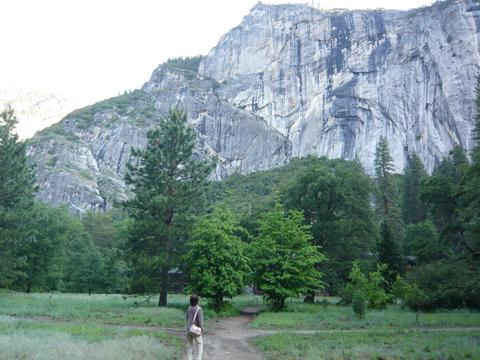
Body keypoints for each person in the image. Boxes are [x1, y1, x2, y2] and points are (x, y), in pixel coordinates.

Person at [186, 294, 204, 360]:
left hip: (189, 329)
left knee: (189, 345)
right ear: (197, 301)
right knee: (199, 344)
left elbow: (187, 319)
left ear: (190, 301)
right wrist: (202, 329)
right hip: (196, 330)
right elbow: (200, 321)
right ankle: (198, 358)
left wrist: (188, 326)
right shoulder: (199, 309)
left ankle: (189, 358)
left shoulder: (189, 308)